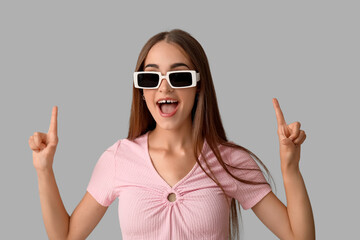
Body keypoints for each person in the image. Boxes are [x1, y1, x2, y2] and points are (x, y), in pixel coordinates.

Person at [29, 29, 315, 240]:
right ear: (141, 91)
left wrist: (290, 168)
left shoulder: (230, 160)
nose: (164, 89)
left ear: (199, 86)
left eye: (179, 77)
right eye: (151, 78)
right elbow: (66, 237)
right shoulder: (118, 158)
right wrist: (44, 170)